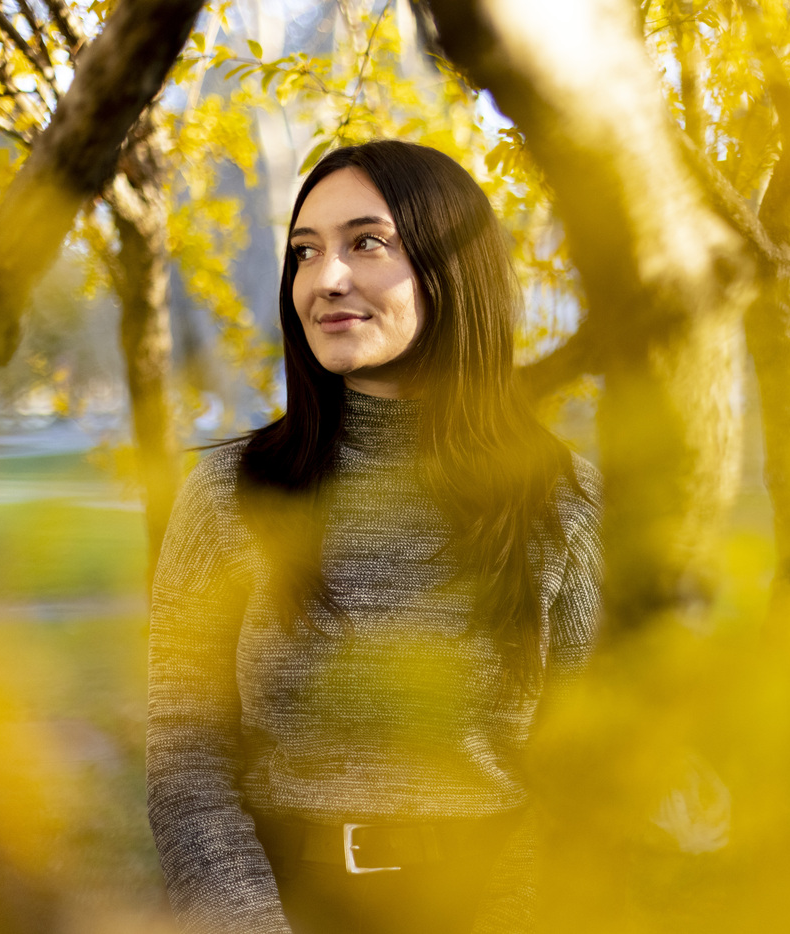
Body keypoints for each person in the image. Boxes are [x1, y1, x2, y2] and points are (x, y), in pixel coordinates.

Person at [146, 140, 602, 934]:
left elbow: (585, 770)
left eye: (367, 242)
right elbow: (185, 758)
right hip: (282, 906)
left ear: (452, 267)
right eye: (304, 252)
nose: (325, 279)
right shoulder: (227, 494)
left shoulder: (562, 501)